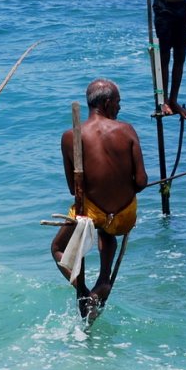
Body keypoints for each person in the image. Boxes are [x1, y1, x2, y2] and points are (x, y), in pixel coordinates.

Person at [50, 79, 148, 317]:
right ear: (107, 103)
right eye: (118, 103)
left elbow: (74, 189)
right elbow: (142, 182)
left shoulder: (69, 136)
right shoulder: (126, 130)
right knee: (108, 230)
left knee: (57, 248)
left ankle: (82, 290)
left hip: (90, 215)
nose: (119, 108)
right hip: (124, 216)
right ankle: (102, 282)